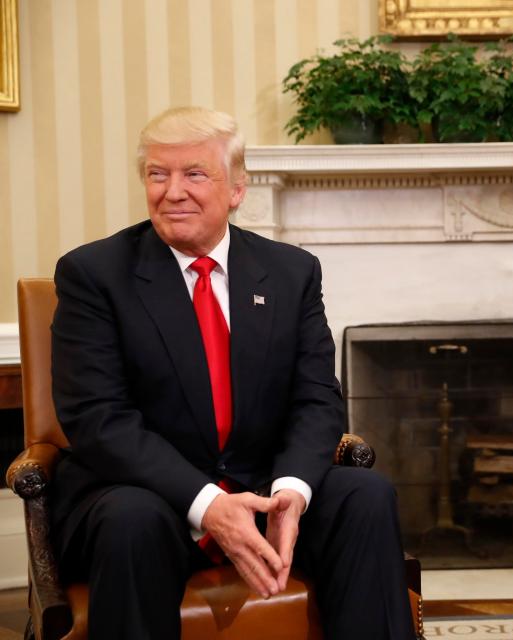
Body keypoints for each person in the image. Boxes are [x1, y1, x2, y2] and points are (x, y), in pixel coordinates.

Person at [49, 106, 415, 639]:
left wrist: (291, 492)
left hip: (263, 487)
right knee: (132, 520)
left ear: (237, 189)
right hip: (150, 497)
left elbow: (317, 399)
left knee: (365, 497)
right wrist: (210, 504)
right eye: (158, 174)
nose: (173, 191)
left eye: (194, 173)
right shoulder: (94, 275)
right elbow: (98, 420)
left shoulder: (291, 272)